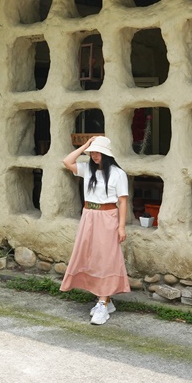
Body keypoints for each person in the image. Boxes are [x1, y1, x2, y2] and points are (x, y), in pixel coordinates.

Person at [60, 135, 131, 325]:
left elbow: (123, 201)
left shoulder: (118, 174)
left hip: (108, 217)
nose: (94, 155)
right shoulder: (87, 170)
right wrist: (86, 145)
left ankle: (103, 301)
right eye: (92, 153)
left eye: (98, 152)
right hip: (88, 215)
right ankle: (105, 301)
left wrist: (121, 226)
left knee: (106, 258)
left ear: (106, 154)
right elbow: (67, 161)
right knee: (90, 256)